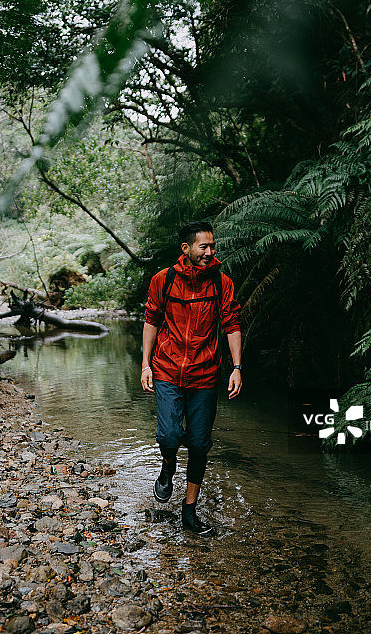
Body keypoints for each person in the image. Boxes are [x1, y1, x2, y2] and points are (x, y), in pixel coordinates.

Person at [141, 221, 242, 536]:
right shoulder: (164, 280)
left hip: (205, 374)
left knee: (199, 445)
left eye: (212, 246)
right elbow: (151, 320)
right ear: (186, 249)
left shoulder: (222, 283)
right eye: (204, 246)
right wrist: (145, 364)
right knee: (169, 437)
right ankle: (168, 466)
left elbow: (232, 324)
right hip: (167, 369)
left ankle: (189, 510)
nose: (210, 252)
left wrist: (237, 367)